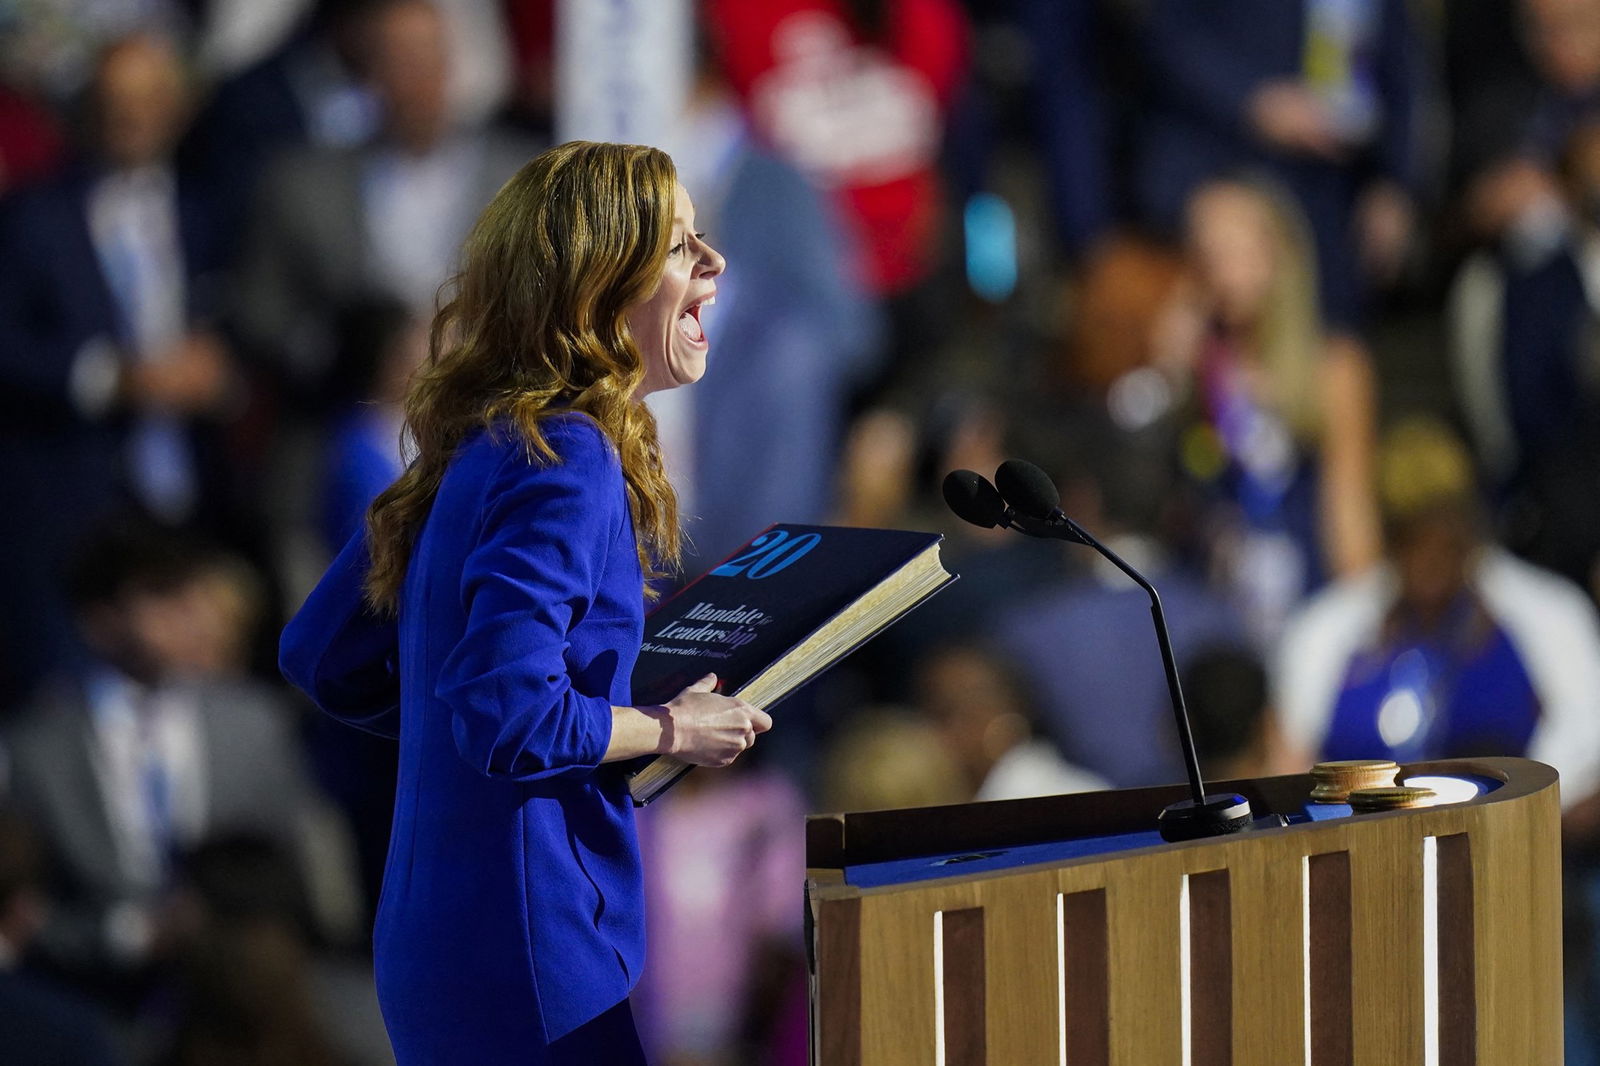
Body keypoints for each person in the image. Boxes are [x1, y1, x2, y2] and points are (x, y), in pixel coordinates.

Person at [279, 141, 771, 1064]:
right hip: (533, 946)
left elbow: (321, 652)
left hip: (431, 942)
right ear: (597, 285)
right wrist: (671, 729)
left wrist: (454, 728)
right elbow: (509, 710)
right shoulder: (572, 459)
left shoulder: (480, 443)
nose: (714, 264)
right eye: (677, 247)